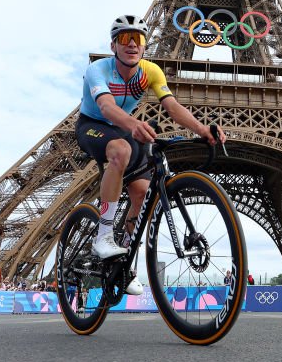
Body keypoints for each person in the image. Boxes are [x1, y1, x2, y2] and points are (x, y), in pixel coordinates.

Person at [76, 15, 223, 296]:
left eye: (138, 39)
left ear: (144, 47)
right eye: (124, 39)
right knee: (121, 148)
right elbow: (106, 108)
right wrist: (134, 125)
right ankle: (104, 235)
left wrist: (203, 129)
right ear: (113, 46)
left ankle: (124, 262)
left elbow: (172, 106)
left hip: (126, 128)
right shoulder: (98, 70)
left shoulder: (151, 72)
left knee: (143, 194)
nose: (132, 44)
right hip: (93, 126)